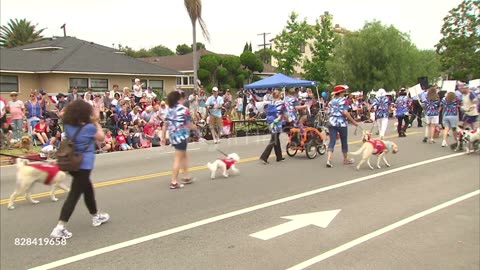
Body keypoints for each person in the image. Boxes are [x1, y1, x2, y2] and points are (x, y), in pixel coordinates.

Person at [50, 100, 109, 239]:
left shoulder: (68, 124)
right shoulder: (89, 128)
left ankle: (96, 216)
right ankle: (60, 227)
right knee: (74, 195)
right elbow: (102, 137)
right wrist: (96, 121)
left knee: (88, 189)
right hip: (84, 165)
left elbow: (62, 114)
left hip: (72, 163)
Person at [161, 91, 196, 189]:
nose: (184, 100)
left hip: (173, 136)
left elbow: (165, 125)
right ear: (180, 99)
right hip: (181, 137)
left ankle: (186, 176)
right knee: (178, 158)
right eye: (183, 98)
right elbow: (189, 125)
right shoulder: (184, 110)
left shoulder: (169, 109)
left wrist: (163, 137)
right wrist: (196, 129)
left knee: (184, 155)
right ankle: (174, 181)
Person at [325, 85, 358, 168]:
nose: (344, 93)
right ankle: (345, 159)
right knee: (344, 141)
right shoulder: (345, 101)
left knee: (332, 141)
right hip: (341, 123)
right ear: (341, 93)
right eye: (344, 92)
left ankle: (328, 159)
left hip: (331, 122)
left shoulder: (331, 101)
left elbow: (329, 111)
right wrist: (353, 121)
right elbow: (345, 113)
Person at [260, 90, 285, 164]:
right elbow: (281, 114)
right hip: (277, 123)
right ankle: (264, 157)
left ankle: (279, 156)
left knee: (276, 139)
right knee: (274, 140)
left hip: (270, 122)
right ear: (279, 95)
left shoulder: (271, 103)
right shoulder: (280, 103)